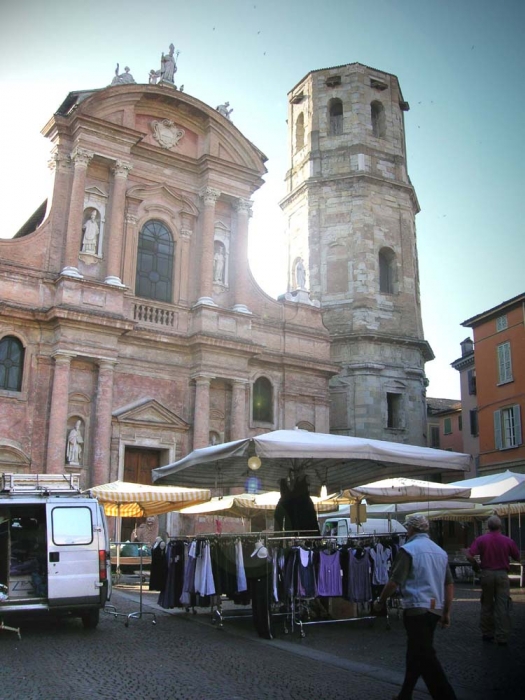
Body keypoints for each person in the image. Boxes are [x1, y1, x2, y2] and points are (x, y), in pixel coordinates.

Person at [373, 513, 456, 700]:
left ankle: (446, 696)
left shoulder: (408, 550)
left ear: (410, 529)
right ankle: (405, 694)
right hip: (434, 609)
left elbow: (395, 581)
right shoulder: (440, 552)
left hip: (416, 608)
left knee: (426, 656)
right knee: (416, 653)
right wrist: (447, 612)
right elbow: (449, 584)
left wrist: (380, 601)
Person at [464, 514, 520, 646]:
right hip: (502, 574)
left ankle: (487, 632)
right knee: (502, 605)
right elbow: (517, 557)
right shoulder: (508, 541)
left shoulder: (481, 540)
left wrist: (476, 568)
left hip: (487, 574)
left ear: (488, 526)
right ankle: (502, 636)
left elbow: (469, 555)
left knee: (487, 604)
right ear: (500, 526)